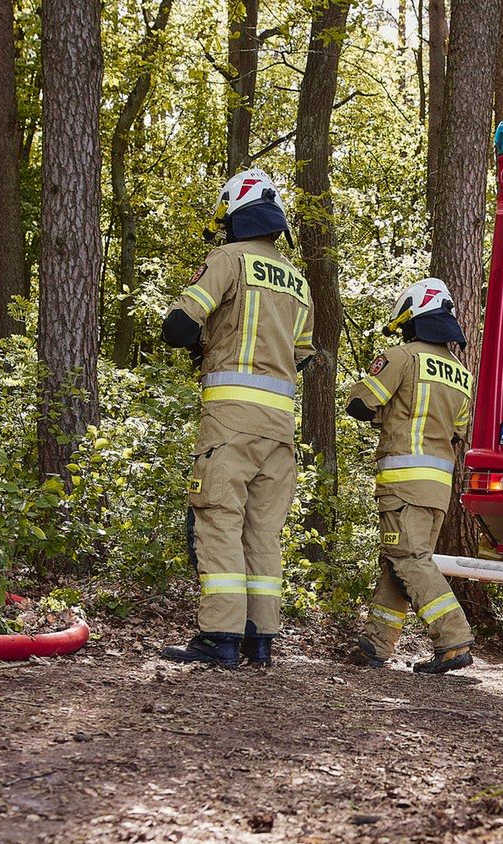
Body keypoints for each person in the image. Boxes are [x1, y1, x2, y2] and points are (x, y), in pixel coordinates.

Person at [158, 169, 314, 668]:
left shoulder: (228, 259)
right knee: (263, 531)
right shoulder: (299, 282)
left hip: (230, 422)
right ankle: (259, 639)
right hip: (280, 429)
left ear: (234, 216)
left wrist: (204, 342)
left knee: (220, 520)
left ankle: (219, 637)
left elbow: (179, 325)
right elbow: (302, 356)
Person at [343, 278, 477, 675]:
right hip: (438, 488)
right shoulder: (462, 375)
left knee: (409, 560)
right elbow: (457, 431)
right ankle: (375, 644)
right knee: (398, 561)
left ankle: (453, 639)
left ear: (413, 319)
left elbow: (360, 404)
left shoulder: (401, 357)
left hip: (404, 482)